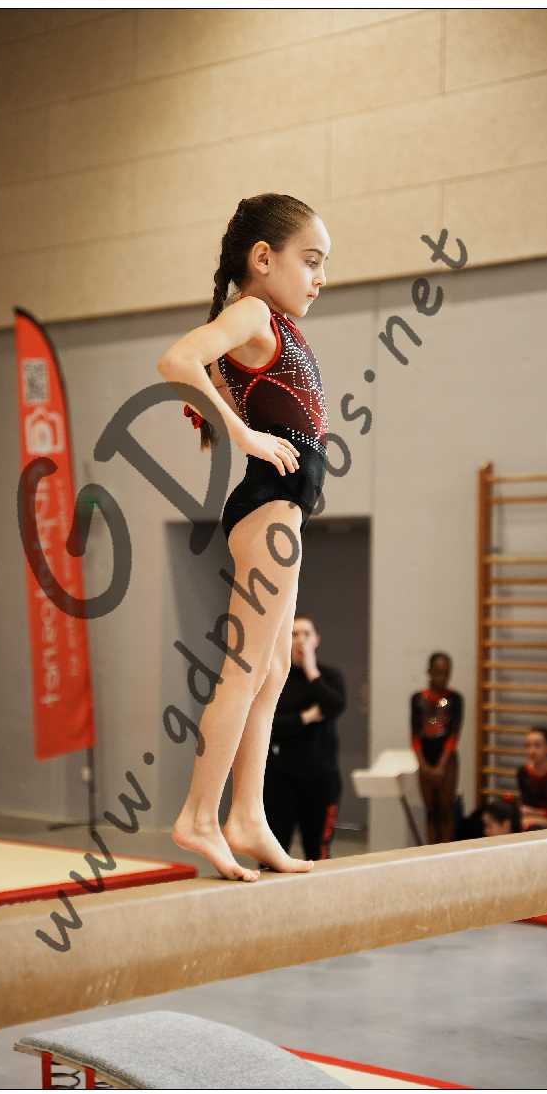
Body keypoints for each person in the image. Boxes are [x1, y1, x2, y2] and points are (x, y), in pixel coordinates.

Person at [156, 193, 330, 881]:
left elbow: (219, 381)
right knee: (246, 667)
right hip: (269, 506)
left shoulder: (272, 325)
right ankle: (199, 816)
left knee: (274, 669)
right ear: (263, 258)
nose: (320, 277)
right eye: (310, 261)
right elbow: (177, 360)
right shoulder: (253, 312)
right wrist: (246, 436)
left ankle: (247, 816)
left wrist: (236, 418)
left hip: (282, 508)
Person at [262, 614, 347, 862]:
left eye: (306, 634)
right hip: (281, 780)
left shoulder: (329, 677)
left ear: (316, 640)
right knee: (272, 852)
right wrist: (306, 717)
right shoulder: (276, 678)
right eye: (294, 634)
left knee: (318, 851)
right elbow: (269, 725)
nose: (300, 640)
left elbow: (335, 705)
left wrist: (311, 671)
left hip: (321, 780)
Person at [410, 652, 464, 843]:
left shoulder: (455, 699)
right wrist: (423, 764)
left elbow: (454, 734)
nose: (443, 677)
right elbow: (414, 735)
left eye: (446, 673)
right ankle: (431, 851)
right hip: (425, 758)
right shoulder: (418, 698)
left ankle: (447, 852)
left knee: (445, 811)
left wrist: (441, 765)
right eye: (439, 672)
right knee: (431, 811)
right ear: (429, 671)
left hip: (447, 760)